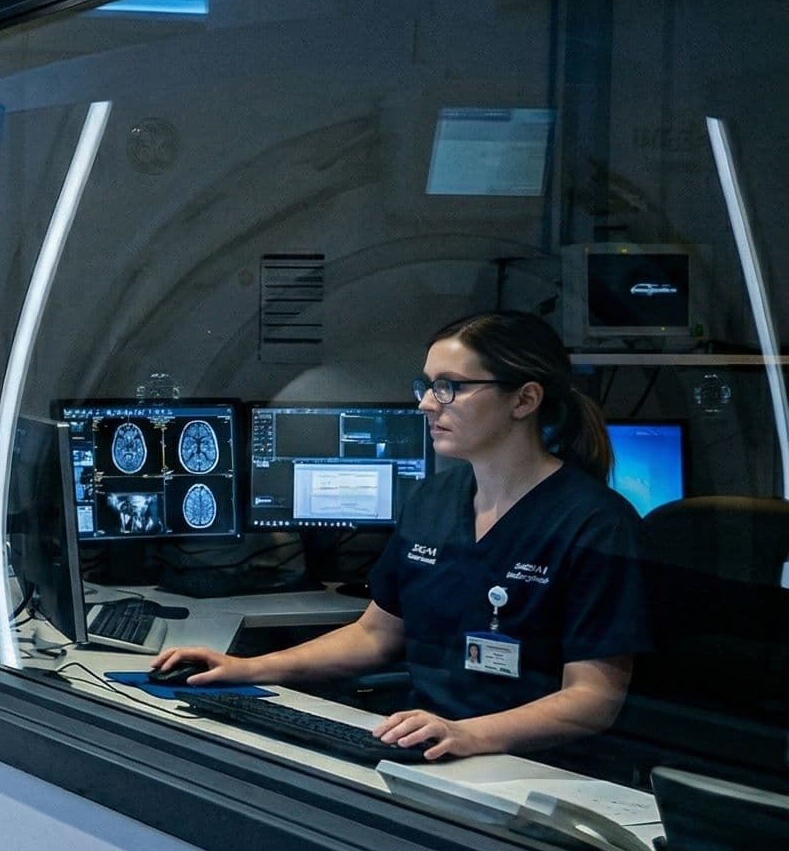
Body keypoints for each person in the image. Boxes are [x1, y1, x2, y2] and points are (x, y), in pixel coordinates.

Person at [152, 311, 647, 761]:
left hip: (530, 768)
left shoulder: (595, 524)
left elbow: (593, 699)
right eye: (427, 385)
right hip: (426, 747)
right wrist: (247, 668)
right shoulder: (434, 500)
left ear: (524, 399)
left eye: (450, 386)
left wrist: (471, 734)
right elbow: (374, 635)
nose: (427, 404)